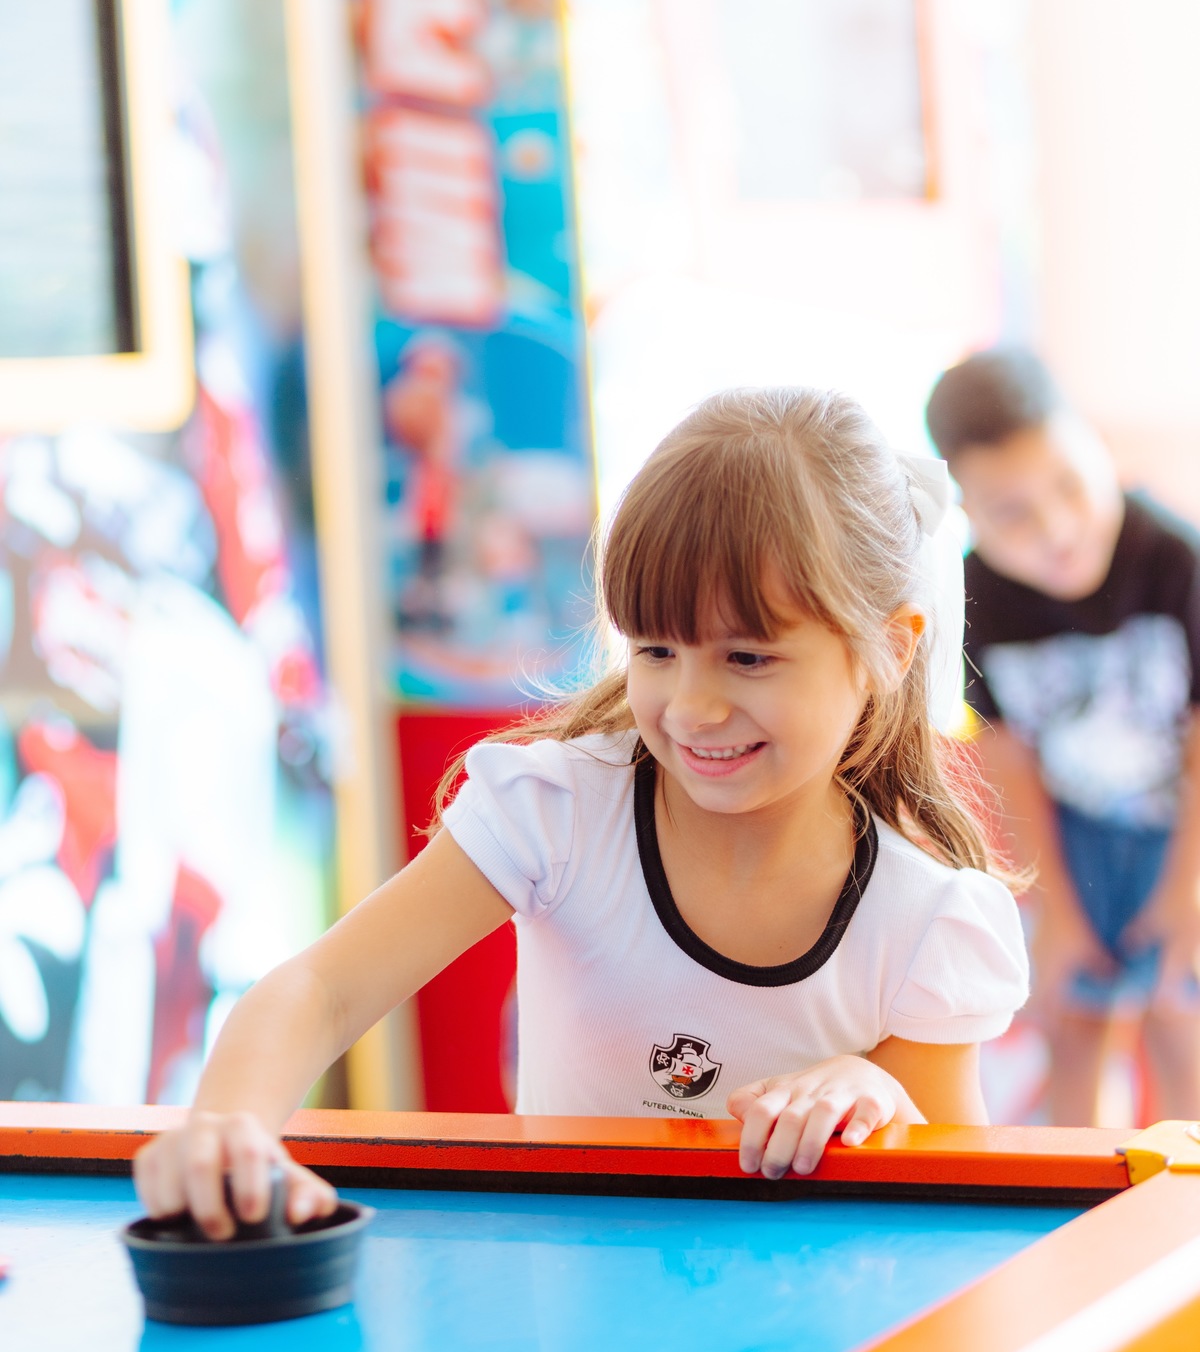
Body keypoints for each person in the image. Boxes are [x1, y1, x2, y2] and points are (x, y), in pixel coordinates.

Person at [134, 387, 1028, 1237]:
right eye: (657, 650)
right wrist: (228, 1130)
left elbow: (952, 1213)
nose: (692, 708)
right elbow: (323, 991)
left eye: (748, 657)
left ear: (890, 649)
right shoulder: (557, 811)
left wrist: (882, 1102)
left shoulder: (928, 921)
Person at [925, 348, 1200, 1125]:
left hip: (1179, 831)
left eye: (1071, 486)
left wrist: (1185, 893)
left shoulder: (1175, 558)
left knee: (1179, 1019)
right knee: (1075, 1021)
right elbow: (1006, 757)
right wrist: (1057, 908)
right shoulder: (977, 597)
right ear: (968, 512)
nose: (1056, 530)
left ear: (1099, 448)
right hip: (1073, 839)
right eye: (1011, 513)